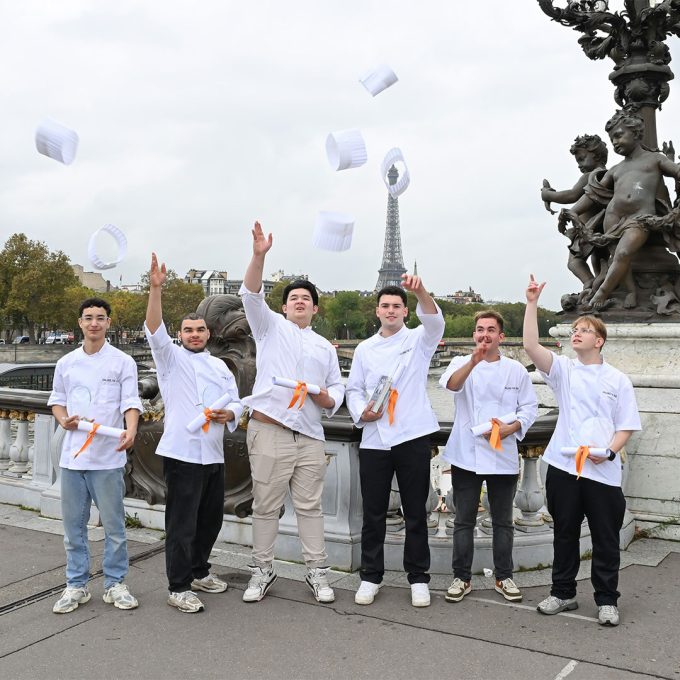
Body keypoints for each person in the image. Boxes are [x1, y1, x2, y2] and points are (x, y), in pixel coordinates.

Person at [523, 275, 641, 626]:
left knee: (605, 538)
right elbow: (531, 346)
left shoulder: (617, 379)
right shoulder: (564, 371)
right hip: (563, 465)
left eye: (584, 330)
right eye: (574, 329)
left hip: (602, 468)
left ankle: (606, 599)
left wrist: (608, 451)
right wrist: (531, 303)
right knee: (565, 533)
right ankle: (563, 592)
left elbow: (626, 426)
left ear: (599, 340)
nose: (576, 333)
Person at [240, 222, 345, 604]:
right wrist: (259, 256)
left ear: (315, 308)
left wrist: (326, 398)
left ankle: (316, 571)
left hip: (311, 436)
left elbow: (336, 389)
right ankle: (262, 569)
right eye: (293, 298)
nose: (299, 302)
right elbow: (250, 293)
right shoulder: (268, 329)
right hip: (271, 430)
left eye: (306, 298)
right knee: (266, 506)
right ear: (282, 307)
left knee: (309, 508)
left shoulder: (325, 348)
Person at [145, 253, 243, 613]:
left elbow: (238, 402)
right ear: (180, 335)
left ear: (209, 334)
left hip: (213, 451)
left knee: (210, 519)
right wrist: (156, 289)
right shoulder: (170, 360)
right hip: (182, 452)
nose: (194, 335)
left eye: (200, 330)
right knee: (181, 523)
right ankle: (178, 585)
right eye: (188, 330)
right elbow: (153, 329)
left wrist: (229, 412)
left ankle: (200, 571)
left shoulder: (219, 366)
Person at [345, 275, 444, 608]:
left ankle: (418, 577)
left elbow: (435, 320)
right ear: (377, 312)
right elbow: (353, 389)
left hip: (412, 434)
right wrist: (363, 412)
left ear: (405, 312)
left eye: (397, 306)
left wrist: (419, 290)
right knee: (372, 513)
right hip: (374, 437)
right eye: (385, 306)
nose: (390, 311)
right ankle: (371, 576)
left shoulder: (419, 340)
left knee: (415, 511)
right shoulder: (364, 349)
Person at [48, 298, 142, 614]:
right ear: (80, 323)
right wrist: (63, 420)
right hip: (73, 457)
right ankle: (76, 585)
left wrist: (130, 431)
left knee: (114, 528)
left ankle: (115, 583)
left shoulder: (122, 362)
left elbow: (131, 401)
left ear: (108, 323)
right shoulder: (66, 363)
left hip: (107, 457)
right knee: (74, 528)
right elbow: (57, 400)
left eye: (100, 318)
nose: (94, 323)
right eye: (88, 318)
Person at [439, 310, 537, 604]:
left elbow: (529, 408)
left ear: (501, 337)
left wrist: (513, 428)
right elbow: (452, 385)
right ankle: (461, 577)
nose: (484, 335)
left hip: (502, 453)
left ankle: (504, 576)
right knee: (463, 519)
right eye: (480, 330)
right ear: (474, 335)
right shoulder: (460, 363)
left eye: (490, 330)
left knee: (503, 521)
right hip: (467, 453)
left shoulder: (516, 370)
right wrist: (473, 360)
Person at [565, 111, 680, 309]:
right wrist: (573, 211)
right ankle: (631, 291)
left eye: (619, 135)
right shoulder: (616, 169)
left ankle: (601, 293)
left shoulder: (654, 159)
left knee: (623, 252)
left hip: (640, 218)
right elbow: (592, 194)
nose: (615, 142)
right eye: (611, 139)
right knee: (616, 256)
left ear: (636, 133)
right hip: (613, 218)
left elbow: (677, 172)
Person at [541, 134, 609, 291]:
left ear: (597, 155)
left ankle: (589, 283)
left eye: (582, 159)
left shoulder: (591, 176)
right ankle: (602, 285)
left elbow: (571, 195)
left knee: (574, 262)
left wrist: (547, 194)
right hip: (602, 228)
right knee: (599, 260)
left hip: (588, 229)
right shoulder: (607, 175)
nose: (579, 165)